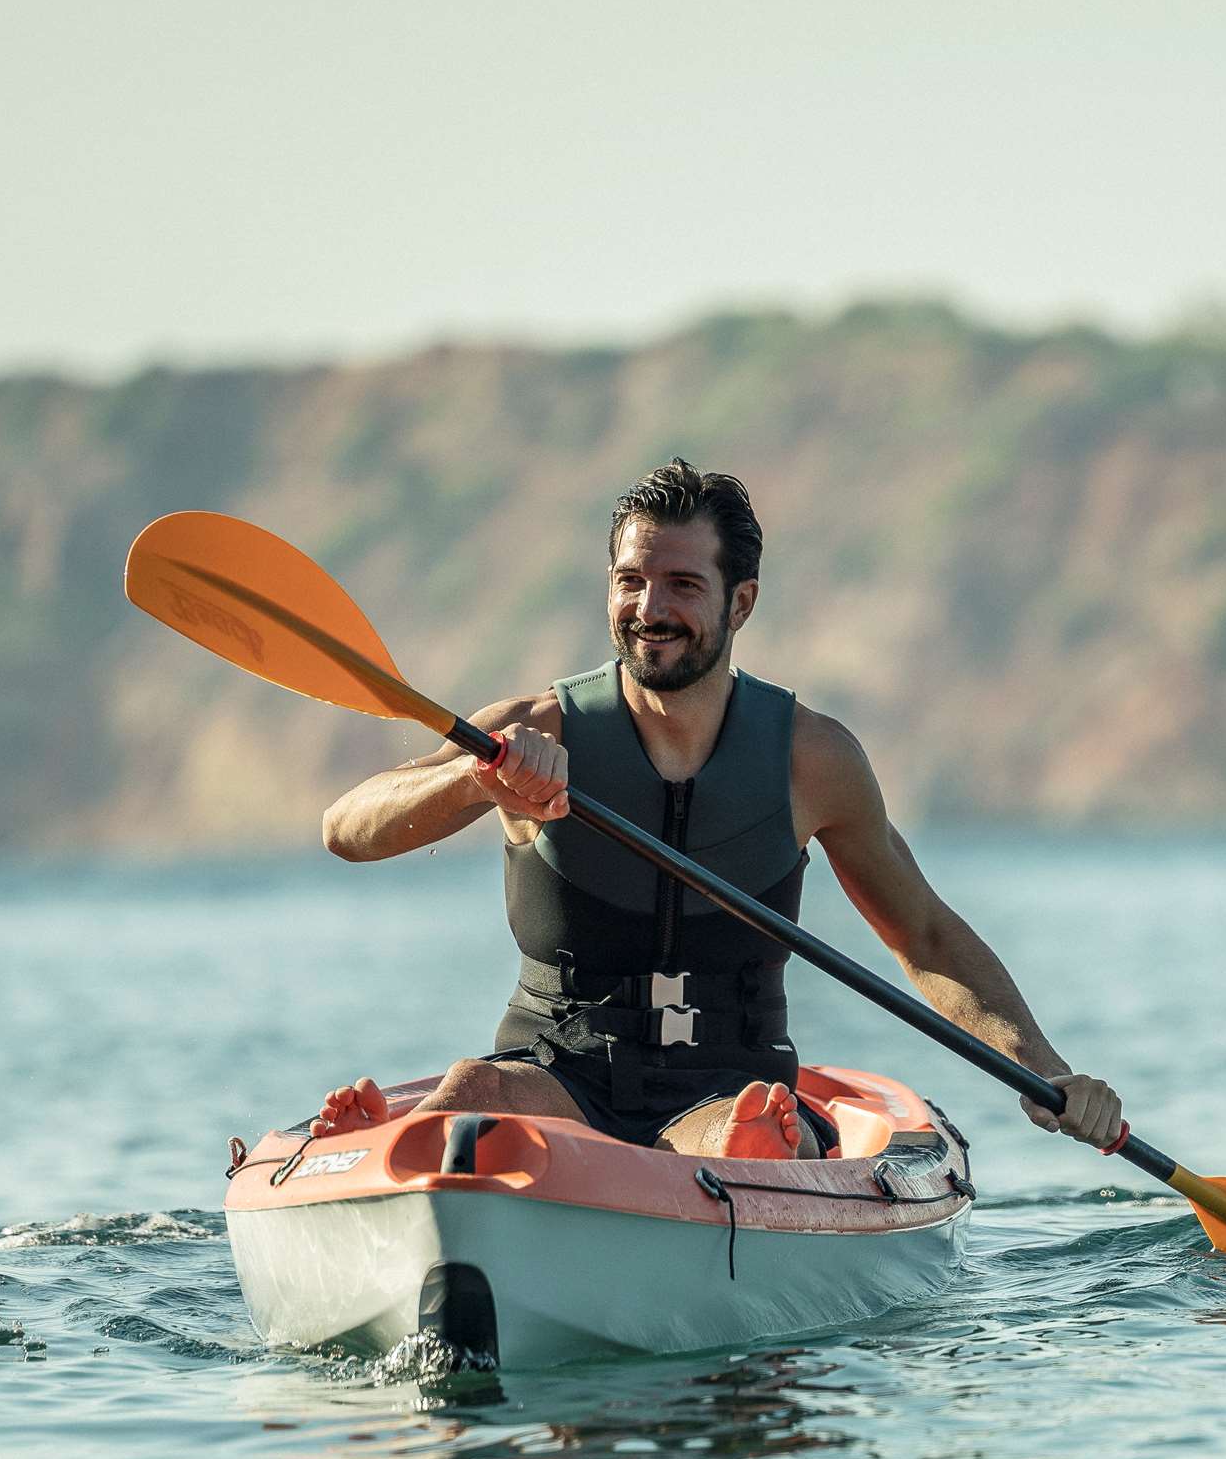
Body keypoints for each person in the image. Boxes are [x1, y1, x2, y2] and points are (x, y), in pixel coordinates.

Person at [310, 461, 1123, 1161]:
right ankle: (407, 1157)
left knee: (747, 1132)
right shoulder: (533, 730)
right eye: (630, 580)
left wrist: (1045, 1069)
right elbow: (345, 829)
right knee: (475, 1090)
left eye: (683, 584)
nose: (648, 607)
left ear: (740, 604)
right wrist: (472, 781)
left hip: (728, 1089)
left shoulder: (813, 759)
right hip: (554, 1079)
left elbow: (926, 936)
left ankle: (757, 1155)